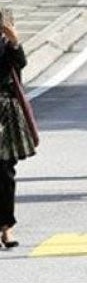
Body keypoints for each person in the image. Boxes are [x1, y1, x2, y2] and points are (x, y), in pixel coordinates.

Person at [0, 15, 34, 249]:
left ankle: (6, 226)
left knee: (5, 172)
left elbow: (20, 64)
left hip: (5, 111)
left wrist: (14, 41)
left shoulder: (7, 45)